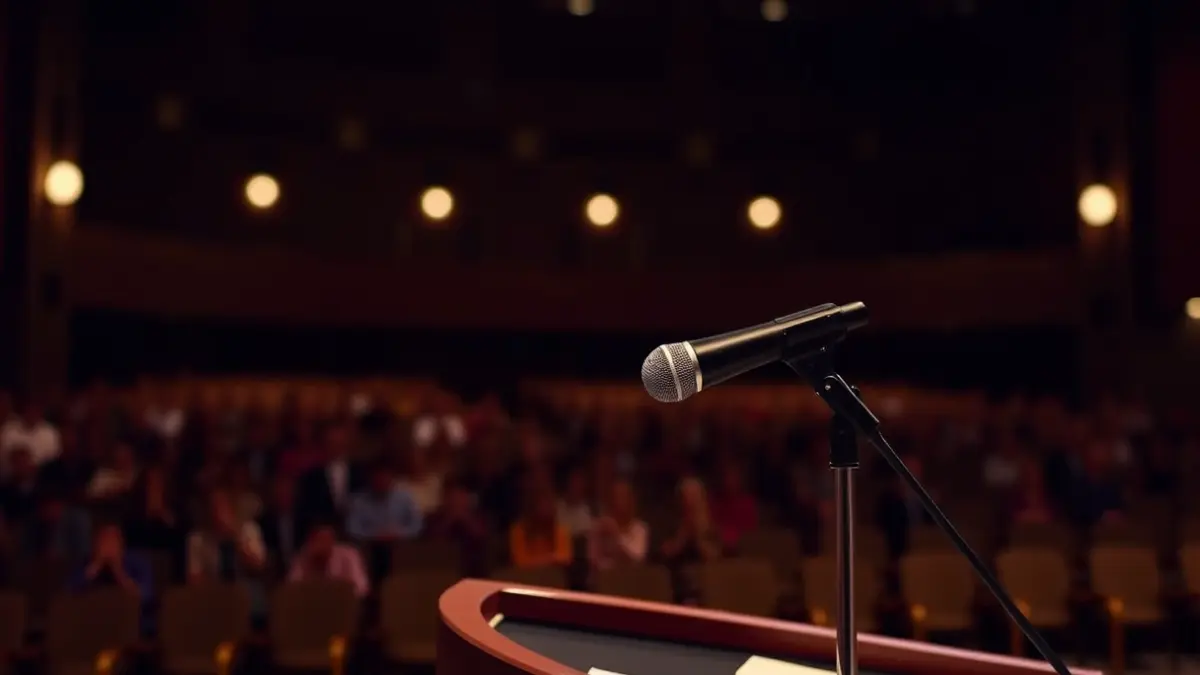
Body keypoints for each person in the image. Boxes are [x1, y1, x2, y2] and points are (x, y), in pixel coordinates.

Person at [297, 421, 362, 536]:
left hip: (355, 533)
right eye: (332, 443)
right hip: (323, 534)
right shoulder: (312, 476)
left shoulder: (359, 473)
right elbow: (309, 509)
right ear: (325, 444)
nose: (337, 447)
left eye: (340, 443)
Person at [186, 489, 267, 582]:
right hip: (212, 588)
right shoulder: (197, 540)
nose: (218, 516)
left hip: (245, 586)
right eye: (214, 510)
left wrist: (237, 538)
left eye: (223, 510)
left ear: (232, 510)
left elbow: (259, 566)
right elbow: (194, 577)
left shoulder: (249, 530)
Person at [345, 461, 423, 542]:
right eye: (378, 479)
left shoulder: (405, 498)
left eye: (385, 478)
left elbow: (417, 525)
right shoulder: (359, 501)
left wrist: (400, 533)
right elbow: (352, 529)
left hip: (402, 543)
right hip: (369, 544)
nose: (382, 482)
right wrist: (375, 534)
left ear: (392, 480)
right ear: (371, 480)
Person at [425, 479, 489, 576]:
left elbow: (482, 538)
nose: (456, 500)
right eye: (452, 496)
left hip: (475, 570)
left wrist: (465, 519)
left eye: (460, 496)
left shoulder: (479, 516)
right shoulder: (433, 518)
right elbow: (432, 545)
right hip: (442, 570)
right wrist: (449, 519)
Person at [288, 522, 369, 597]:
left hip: (343, 602)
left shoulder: (349, 555)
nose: (322, 543)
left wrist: (339, 591)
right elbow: (292, 588)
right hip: (311, 603)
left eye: (326, 538)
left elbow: (361, 588)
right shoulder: (303, 556)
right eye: (318, 538)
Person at [587, 480, 648, 573]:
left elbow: (636, 564)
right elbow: (593, 564)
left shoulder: (640, 530)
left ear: (631, 500)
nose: (618, 501)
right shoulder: (600, 526)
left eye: (623, 497)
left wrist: (615, 536)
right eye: (616, 497)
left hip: (630, 578)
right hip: (603, 578)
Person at [660, 477, 721, 567]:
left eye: (694, 495)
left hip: (704, 571)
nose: (690, 500)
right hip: (677, 570)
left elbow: (715, 556)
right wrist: (680, 540)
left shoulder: (710, 525)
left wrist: (698, 536)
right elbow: (664, 552)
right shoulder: (672, 523)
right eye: (687, 495)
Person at [508, 487, 572, 569]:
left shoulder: (560, 530)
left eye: (548, 506)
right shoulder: (519, 531)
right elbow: (520, 561)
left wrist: (537, 561)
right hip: (526, 575)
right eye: (541, 506)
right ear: (532, 509)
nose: (545, 511)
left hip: (552, 575)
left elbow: (564, 558)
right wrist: (551, 559)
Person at [259, 474, 302, 578]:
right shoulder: (265, 521)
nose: (284, 494)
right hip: (274, 574)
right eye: (280, 490)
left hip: (300, 572)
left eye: (287, 490)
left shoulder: (303, 519)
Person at [1, 399, 61, 473]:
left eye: (35, 410)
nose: (32, 413)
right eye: (29, 410)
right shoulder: (8, 430)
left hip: (42, 475)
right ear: (23, 411)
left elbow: (53, 460)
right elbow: (4, 459)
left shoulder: (50, 433)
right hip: (11, 474)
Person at [708, 462, 758, 550]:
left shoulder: (747, 503)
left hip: (743, 548)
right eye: (727, 477)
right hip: (716, 547)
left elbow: (750, 532)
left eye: (734, 477)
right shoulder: (713, 501)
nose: (729, 481)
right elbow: (709, 527)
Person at [557, 466, 594, 539]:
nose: (578, 486)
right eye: (575, 482)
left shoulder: (590, 509)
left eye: (580, 482)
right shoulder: (558, 508)